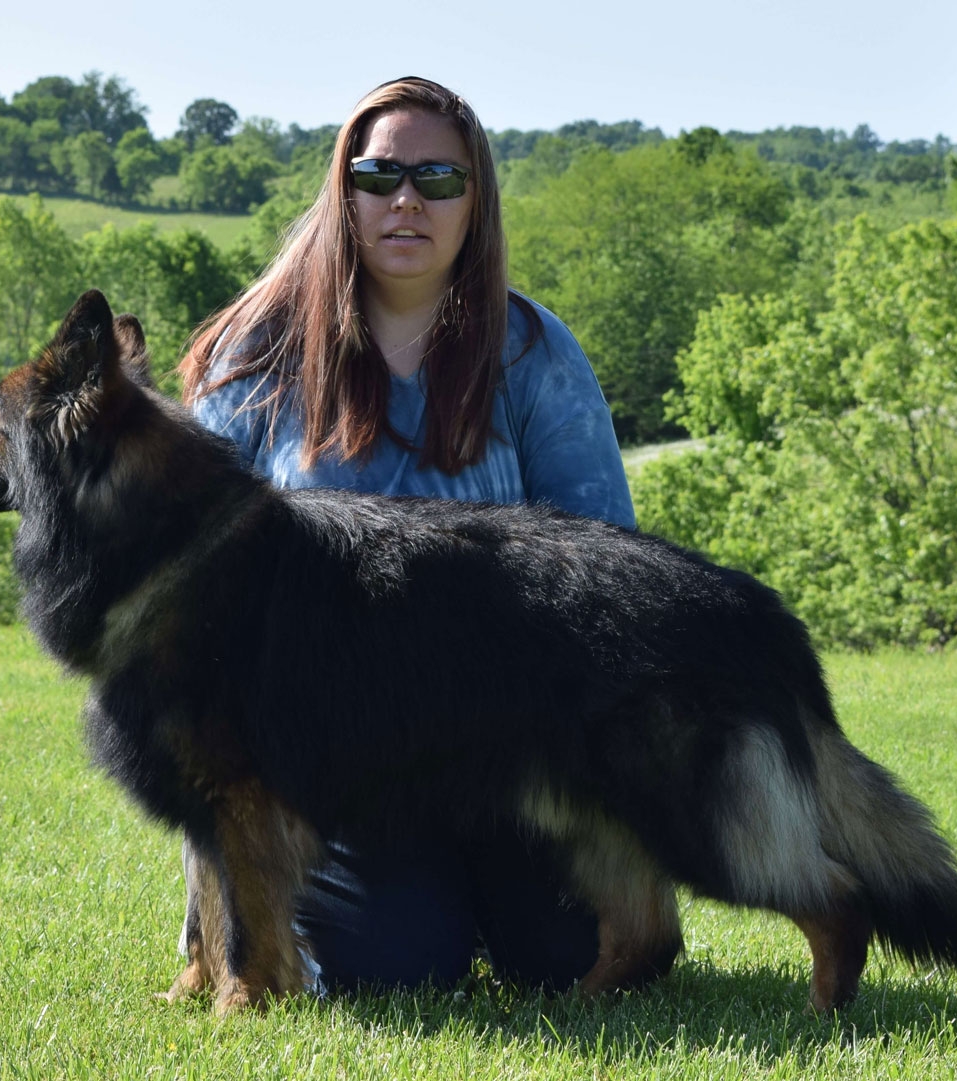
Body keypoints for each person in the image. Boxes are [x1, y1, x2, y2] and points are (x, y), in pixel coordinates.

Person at [176, 76, 636, 993]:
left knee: (564, 960)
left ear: (478, 202)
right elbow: (189, 601)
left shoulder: (536, 354)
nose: (407, 200)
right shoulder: (254, 354)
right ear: (343, 189)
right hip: (326, 771)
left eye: (439, 178)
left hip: (512, 756)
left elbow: (609, 576)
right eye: (380, 173)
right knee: (400, 965)